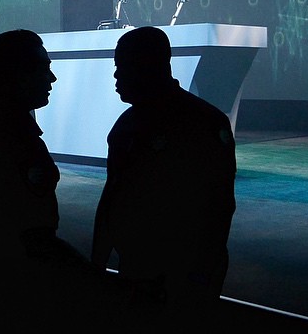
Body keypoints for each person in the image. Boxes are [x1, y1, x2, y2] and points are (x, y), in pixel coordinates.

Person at [0, 29, 141, 333]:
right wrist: (97, 281)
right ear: (17, 75)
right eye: (43, 68)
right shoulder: (14, 139)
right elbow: (31, 237)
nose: (52, 79)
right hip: (13, 295)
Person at [91, 26, 236, 332]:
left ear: (149, 65)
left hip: (183, 272)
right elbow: (113, 198)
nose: (116, 77)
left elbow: (217, 207)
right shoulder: (128, 126)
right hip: (140, 268)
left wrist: (200, 274)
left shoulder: (201, 123)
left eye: (123, 67)